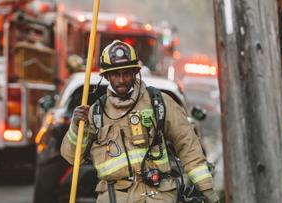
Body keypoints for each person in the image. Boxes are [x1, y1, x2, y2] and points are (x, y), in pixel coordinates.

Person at [61, 40, 219, 203]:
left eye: (126, 73)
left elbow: (188, 145)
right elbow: (72, 157)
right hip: (115, 197)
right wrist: (76, 126)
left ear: (136, 72)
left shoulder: (159, 102)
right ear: (106, 76)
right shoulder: (96, 113)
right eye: (116, 74)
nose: (121, 80)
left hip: (159, 195)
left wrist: (206, 190)